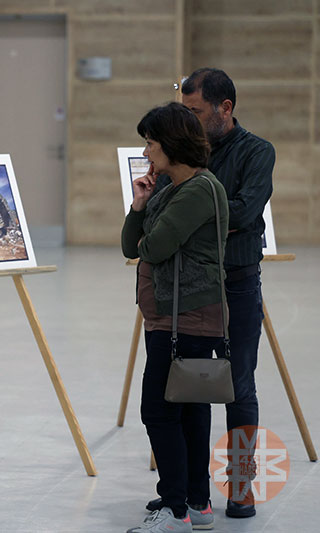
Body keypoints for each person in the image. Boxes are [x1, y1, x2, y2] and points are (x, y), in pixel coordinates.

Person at [147, 68, 275, 519]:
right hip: (185, 290)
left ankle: (240, 486)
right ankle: (190, 493)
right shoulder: (181, 152)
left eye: (196, 112)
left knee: (238, 385)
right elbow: (163, 211)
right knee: (188, 390)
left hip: (236, 283)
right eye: (184, 112)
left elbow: (243, 210)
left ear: (226, 108)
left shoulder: (257, 152)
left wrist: (196, 207)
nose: (189, 121)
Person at [122, 102, 229, 533]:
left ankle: (175, 508)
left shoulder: (199, 190)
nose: (146, 152)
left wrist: (149, 227)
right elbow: (133, 244)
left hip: (187, 317)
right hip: (169, 315)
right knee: (187, 408)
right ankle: (195, 501)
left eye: (150, 143)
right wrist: (140, 204)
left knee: (160, 409)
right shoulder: (169, 188)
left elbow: (154, 248)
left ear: (171, 143)